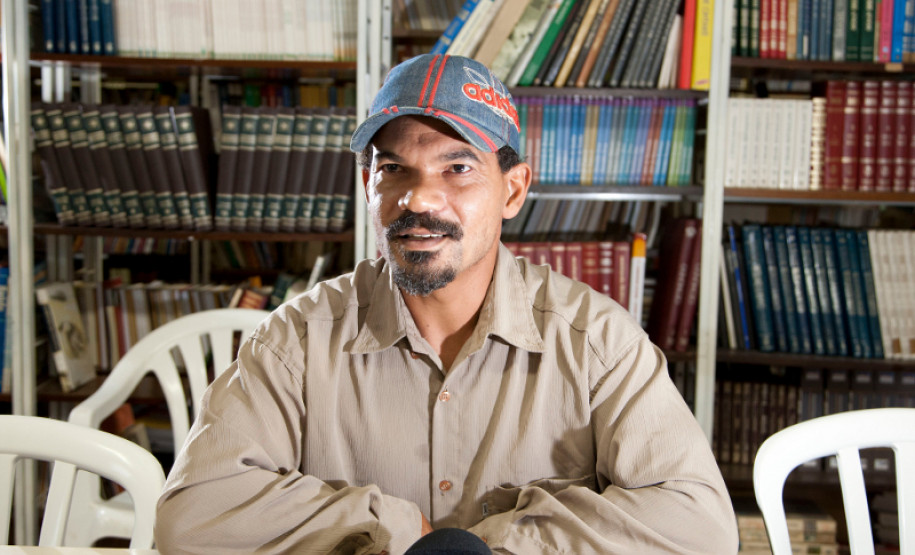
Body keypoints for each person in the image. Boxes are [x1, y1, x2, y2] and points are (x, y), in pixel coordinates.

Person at [155, 54, 739, 554]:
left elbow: (699, 523)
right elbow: (191, 517)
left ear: (512, 190)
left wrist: (495, 545)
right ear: (368, 188)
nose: (417, 197)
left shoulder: (596, 342)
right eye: (393, 169)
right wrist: (392, 529)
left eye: (457, 168)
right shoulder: (294, 342)